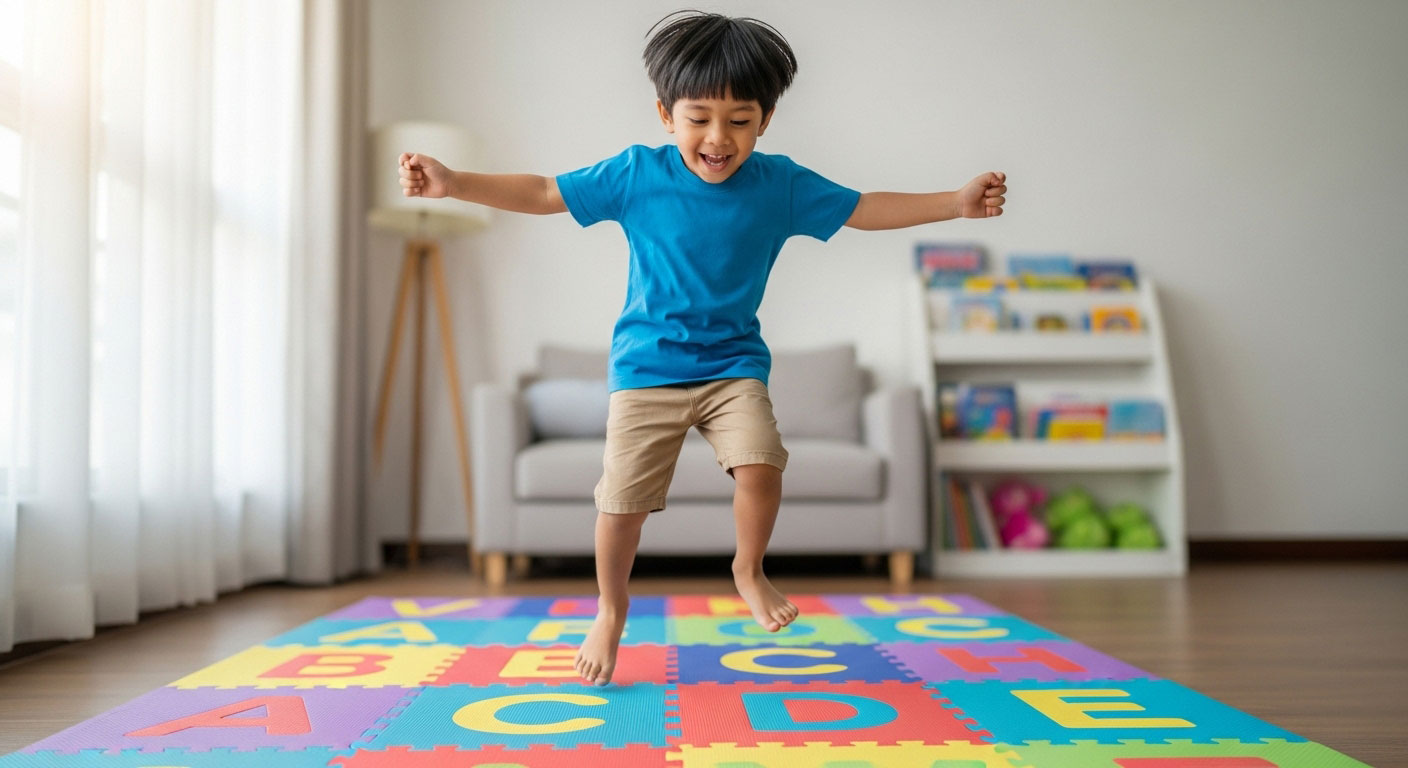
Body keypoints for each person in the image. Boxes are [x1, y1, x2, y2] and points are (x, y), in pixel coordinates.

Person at [396, 10, 1006, 686]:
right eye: (700, 118)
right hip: (646, 371)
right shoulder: (636, 175)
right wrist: (455, 184)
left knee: (761, 464)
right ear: (666, 114)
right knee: (619, 507)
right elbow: (544, 191)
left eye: (740, 121)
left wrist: (954, 202)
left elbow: (863, 208)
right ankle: (609, 609)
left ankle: (747, 570)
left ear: (765, 120)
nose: (719, 138)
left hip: (732, 367)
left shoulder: (781, 186)